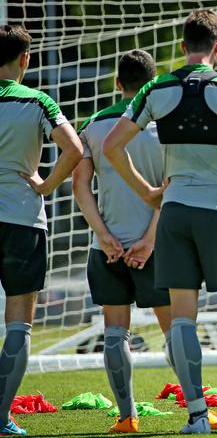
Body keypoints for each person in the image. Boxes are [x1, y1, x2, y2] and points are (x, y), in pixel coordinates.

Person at [102, 10, 217, 434]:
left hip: (175, 214)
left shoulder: (156, 88)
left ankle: (196, 416)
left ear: (183, 46)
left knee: (182, 318)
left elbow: (111, 146)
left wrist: (147, 191)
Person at [73, 50, 217, 434]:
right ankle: (198, 411)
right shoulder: (165, 123)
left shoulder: (93, 124)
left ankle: (126, 417)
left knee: (113, 331)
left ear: (117, 83)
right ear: (154, 83)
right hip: (159, 245)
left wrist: (103, 235)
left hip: (107, 248)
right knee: (176, 329)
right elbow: (174, 184)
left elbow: (80, 186)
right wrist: (150, 239)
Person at [0, 25, 83, 436]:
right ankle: (0, 418)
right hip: (21, 220)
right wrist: (46, 185)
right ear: (25, 59)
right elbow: (75, 149)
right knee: (19, 322)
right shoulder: (37, 101)